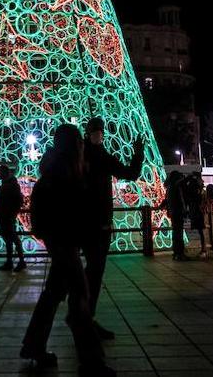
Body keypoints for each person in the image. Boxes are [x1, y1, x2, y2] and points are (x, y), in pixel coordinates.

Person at [22, 123, 111, 375]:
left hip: (60, 242)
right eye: (80, 143)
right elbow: (71, 211)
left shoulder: (57, 170)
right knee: (80, 299)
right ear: (74, 146)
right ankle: (92, 362)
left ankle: (33, 345)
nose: (83, 146)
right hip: (65, 243)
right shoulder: (64, 175)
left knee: (52, 295)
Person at [82, 117, 144, 340]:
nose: (99, 134)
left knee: (91, 271)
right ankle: (83, 317)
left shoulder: (91, 155)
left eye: (101, 131)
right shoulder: (92, 156)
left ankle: (83, 316)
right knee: (93, 271)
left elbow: (129, 174)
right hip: (94, 224)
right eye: (95, 131)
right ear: (88, 133)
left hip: (92, 223)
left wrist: (138, 153)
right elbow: (129, 174)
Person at [0, 164, 26, 271]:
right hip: (5, 215)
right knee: (9, 239)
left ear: (4, 172)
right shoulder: (8, 184)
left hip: (6, 215)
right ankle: (11, 261)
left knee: (12, 238)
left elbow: (17, 200)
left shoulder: (10, 185)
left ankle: (19, 261)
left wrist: (11, 212)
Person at [159, 171, 186, 260]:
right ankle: (180, 253)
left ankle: (176, 253)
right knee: (179, 233)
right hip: (178, 212)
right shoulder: (176, 187)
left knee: (176, 233)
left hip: (172, 212)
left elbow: (166, 200)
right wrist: (184, 209)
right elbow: (180, 200)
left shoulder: (169, 188)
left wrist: (162, 206)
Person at [185, 174, 207, 257]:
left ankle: (204, 250)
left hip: (197, 212)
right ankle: (203, 249)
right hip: (198, 212)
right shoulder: (200, 190)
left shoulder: (197, 191)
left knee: (201, 231)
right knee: (201, 231)